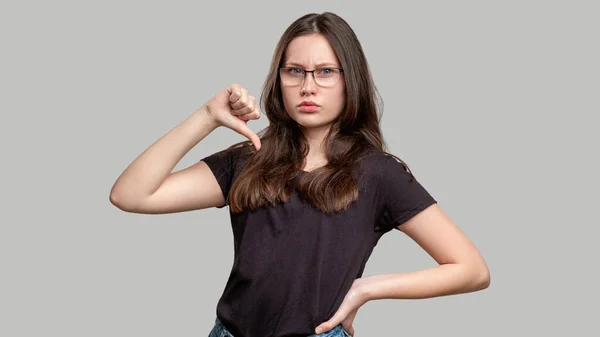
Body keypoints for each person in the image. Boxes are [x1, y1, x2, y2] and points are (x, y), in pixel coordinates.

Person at [109, 11, 490, 337]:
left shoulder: (379, 173)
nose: (308, 86)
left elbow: (471, 269)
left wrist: (367, 288)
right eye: (295, 71)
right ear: (279, 79)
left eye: (325, 72)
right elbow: (131, 195)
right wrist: (207, 117)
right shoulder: (249, 159)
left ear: (349, 80)